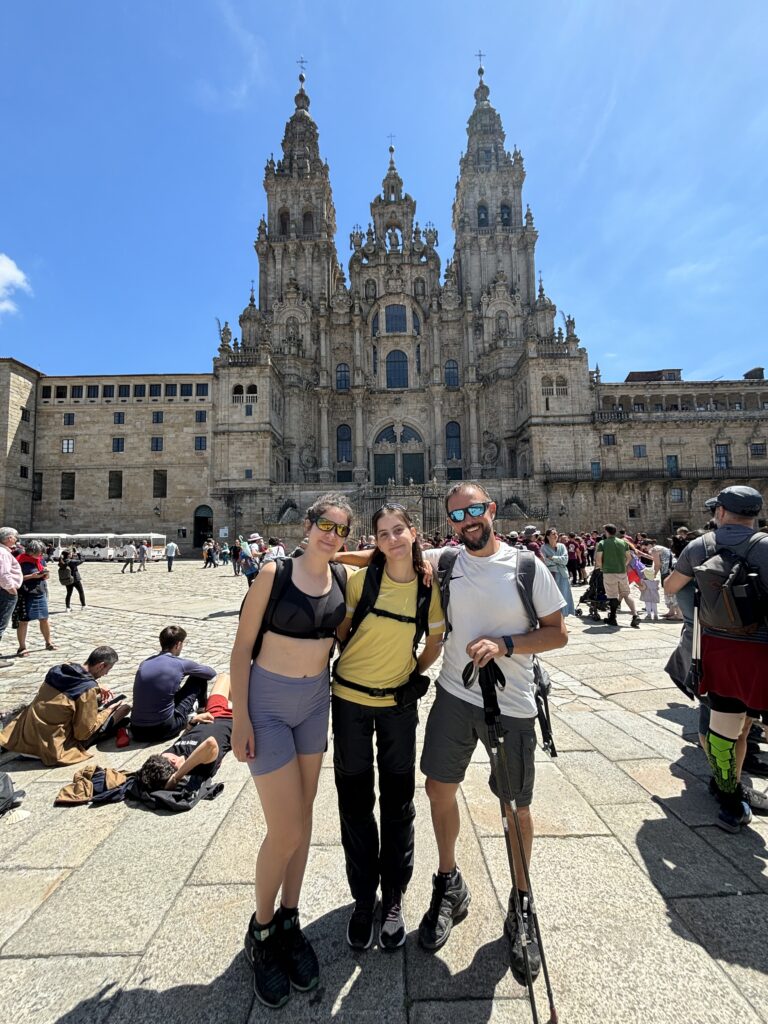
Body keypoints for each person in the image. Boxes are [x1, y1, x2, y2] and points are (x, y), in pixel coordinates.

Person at [416, 483, 567, 984]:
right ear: (451, 522)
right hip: (454, 695)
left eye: (476, 510)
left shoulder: (527, 567)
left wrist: (505, 644)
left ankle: (521, 902)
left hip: (513, 703)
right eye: (459, 515)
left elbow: (558, 633)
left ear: (492, 510)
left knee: (515, 807)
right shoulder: (444, 561)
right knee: (438, 787)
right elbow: (389, 552)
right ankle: (448, 880)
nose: (469, 520)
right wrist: (320, 550)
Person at [230, 493, 353, 1009]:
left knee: (303, 820)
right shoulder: (272, 574)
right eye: (324, 524)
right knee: (285, 829)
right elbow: (242, 647)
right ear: (307, 524)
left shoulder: (341, 577)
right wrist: (239, 718)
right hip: (269, 706)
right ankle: (260, 931)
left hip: (314, 704)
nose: (330, 534)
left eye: (341, 529)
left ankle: (289, 918)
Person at [332, 505, 444, 951]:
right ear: (374, 540)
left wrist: (408, 673)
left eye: (400, 530)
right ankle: (364, 898)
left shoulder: (429, 588)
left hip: (398, 705)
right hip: (350, 704)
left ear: (414, 532)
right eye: (384, 533)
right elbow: (342, 629)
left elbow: (434, 641)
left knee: (399, 804)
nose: (393, 538)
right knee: (355, 804)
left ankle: (393, 896)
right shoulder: (361, 581)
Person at [664, 486, 768, 832]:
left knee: (723, 732)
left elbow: (670, 586)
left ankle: (730, 802)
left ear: (720, 512)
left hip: (719, 652)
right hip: (762, 654)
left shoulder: (700, 546)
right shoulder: (765, 546)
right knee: (747, 727)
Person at [0, 646, 130, 766]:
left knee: (94, 702)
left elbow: (71, 689)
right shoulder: (88, 689)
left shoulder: (58, 670)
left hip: (24, 739)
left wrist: (97, 687)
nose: (106, 674)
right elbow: (83, 734)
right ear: (101, 666)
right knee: (124, 709)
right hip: (50, 748)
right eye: (108, 669)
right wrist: (109, 710)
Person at [135, 672, 234, 793]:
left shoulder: (165, 759)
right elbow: (210, 744)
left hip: (212, 713)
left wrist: (192, 723)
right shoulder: (198, 766)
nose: (165, 753)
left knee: (225, 678)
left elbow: (183, 739)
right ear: (173, 762)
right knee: (250, 690)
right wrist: (177, 776)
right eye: (165, 756)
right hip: (237, 720)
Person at [130, 626, 217, 742]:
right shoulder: (179, 664)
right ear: (178, 644)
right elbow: (211, 673)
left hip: (136, 730)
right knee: (198, 678)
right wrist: (189, 669)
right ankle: (202, 710)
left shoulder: (144, 663)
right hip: (164, 729)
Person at [14, 540, 56, 656]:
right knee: (24, 620)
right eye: (39, 552)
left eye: (42, 552)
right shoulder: (20, 560)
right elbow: (16, 578)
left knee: (44, 618)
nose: (41, 555)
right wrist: (32, 576)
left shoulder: (40, 559)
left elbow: (46, 576)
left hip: (40, 591)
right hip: (26, 592)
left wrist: (45, 573)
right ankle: (22, 647)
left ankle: (48, 642)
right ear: (31, 551)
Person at [595, 524, 640, 628]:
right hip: (622, 572)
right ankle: (635, 615)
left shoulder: (602, 543)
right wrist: (623, 565)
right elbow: (629, 557)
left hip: (609, 572)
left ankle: (613, 618)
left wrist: (602, 567)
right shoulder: (623, 542)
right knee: (626, 594)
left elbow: (598, 559)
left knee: (612, 596)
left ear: (606, 532)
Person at [0, 526, 23, 669]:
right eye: (15, 537)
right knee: (1, 623)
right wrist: (12, 590)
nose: (15, 539)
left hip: (4, 590)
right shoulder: (3, 552)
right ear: (9, 538)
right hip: (5, 591)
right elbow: (3, 574)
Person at [541, 527, 575, 617]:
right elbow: (544, 561)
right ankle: (555, 617)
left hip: (563, 574)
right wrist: (558, 561)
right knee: (553, 596)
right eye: (553, 534)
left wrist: (552, 558)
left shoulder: (562, 546)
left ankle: (563, 615)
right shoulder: (544, 548)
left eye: (556, 533)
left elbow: (565, 560)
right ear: (548, 536)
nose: (556, 535)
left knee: (564, 595)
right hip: (551, 574)